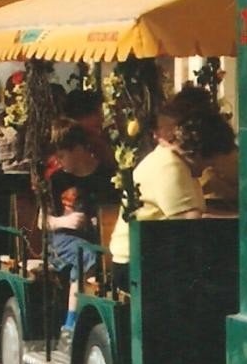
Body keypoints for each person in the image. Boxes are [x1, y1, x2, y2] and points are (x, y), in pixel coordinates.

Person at [108, 89, 207, 290]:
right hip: (139, 263)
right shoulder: (168, 165)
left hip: (153, 256)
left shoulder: (176, 162)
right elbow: (188, 223)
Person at [46, 123, 114, 333]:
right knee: (86, 255)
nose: (58, 161)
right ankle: (71, 323)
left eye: (62, 155)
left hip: (98, 237)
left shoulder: (106, 176)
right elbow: (42, 220)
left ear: (78, 150)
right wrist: (64, 222)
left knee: (95, 253)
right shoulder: (57, 180)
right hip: (61, 240)